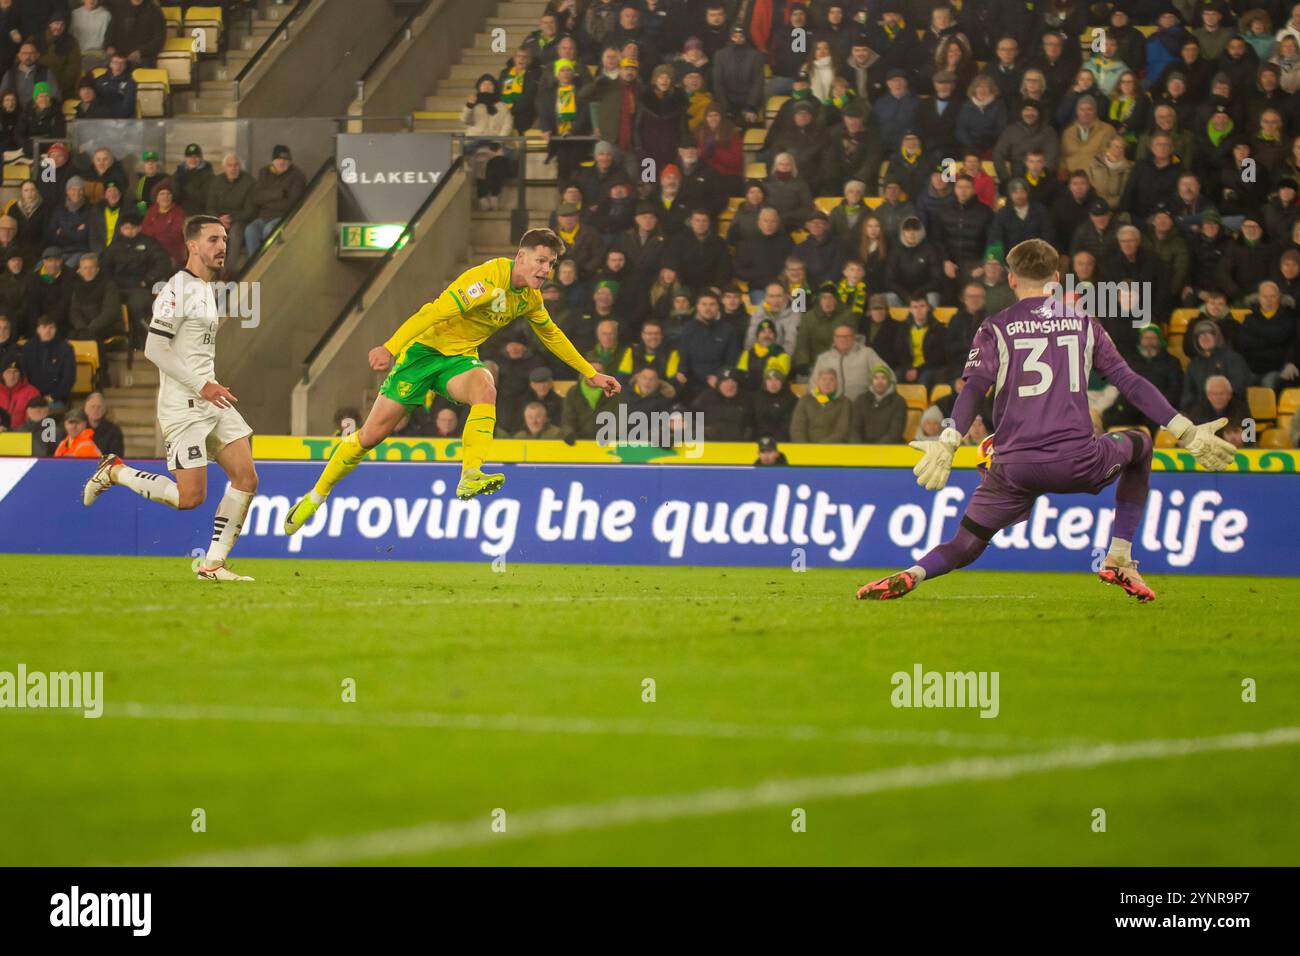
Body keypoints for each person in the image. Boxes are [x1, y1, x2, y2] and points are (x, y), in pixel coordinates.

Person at [857, 238, 1238, 604]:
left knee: (967, 540)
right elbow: (1129, 382)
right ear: (1057, 278)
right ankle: (1119, 556)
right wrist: (1185, 430)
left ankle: (915, 573)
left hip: (1014, 467)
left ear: (1010, 279)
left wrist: (950, 438)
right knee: (1140, 443)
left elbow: (974, 388)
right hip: (1076, 460)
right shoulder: (1083, 323)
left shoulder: (995, 327)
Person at [283, 230, 621, 530]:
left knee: (485, 387)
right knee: (369, 437)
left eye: (550, 264)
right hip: (422, 356)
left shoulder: (529, 299)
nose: (546, 270)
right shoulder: (486, 280)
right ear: (521, 257)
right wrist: (391, 346)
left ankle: (470, 474)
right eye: (541, 261)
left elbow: (553, 336)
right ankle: (317, 494)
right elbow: (434, 311)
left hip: (458, 361)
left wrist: (591, 373)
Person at [82, 215, 260, 581]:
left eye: (224, 238)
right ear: (192, 246)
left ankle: (212, 565)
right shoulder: (178, 289)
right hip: (185, 406)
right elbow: (154, 348)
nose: (222, 246)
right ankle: (115, 471)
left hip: (209, 399)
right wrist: (202, 384)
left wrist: (207, 385)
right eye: (213, 239)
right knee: (188, 498)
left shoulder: (206, 289)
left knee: (246, 477)